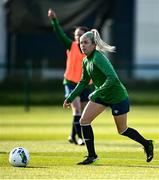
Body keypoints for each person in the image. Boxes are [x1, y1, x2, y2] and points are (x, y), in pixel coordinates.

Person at [63, 29, 154, 165]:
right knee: (84, 121)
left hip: (117, 96)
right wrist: (70, 97)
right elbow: (83, 82)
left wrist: (96, 92)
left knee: (122, 130)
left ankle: (147, 144)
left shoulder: (98, 57)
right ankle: (92, 156)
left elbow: (113, 78)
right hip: (102, 95)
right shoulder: (86, 60)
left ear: (94, 45)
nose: (82, 45)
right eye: (81, 43)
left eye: (86, 43)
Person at [48, 9, 92, 145]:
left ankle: (72, 136)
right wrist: (54, 20)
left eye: (81, 35)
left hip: (86, 84)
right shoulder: (71, 45)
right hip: (71, 82)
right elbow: (60, 34)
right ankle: (79, 137)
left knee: (83, 114)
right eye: (77, 35)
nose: (78, 38)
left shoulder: (90, 50)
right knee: (77, 109)